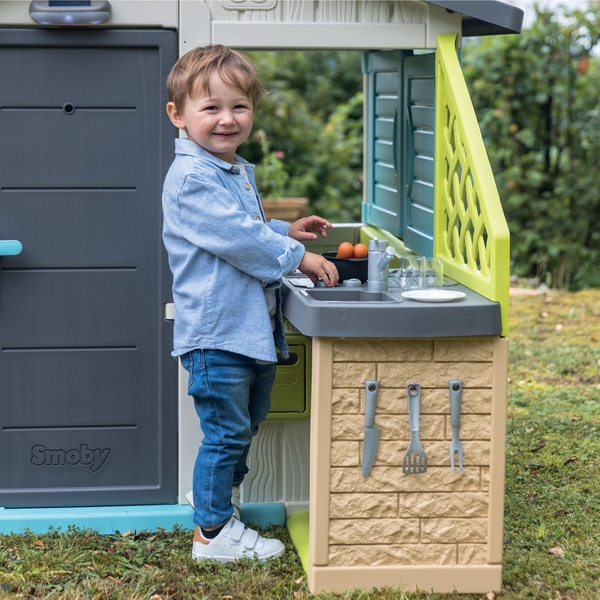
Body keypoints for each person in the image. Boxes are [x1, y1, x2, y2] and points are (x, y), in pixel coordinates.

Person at [161, 45, 339, 563]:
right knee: (226, 433)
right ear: (178, 115)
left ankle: (214, 503)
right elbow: (239, 238)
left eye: (238, 106)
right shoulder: (193, 178)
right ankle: (212, 534)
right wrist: (297, 255)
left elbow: (241, 226)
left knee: (243, 427)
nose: (226, 119)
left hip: (246, 331)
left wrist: (285, 229)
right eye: (210, 107)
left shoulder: (228, 170)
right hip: (217, 334)